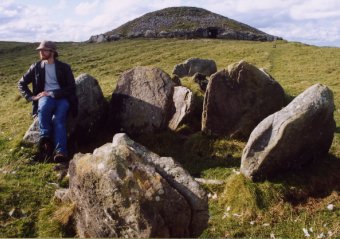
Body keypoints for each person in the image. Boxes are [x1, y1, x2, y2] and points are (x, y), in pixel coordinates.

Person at [18, 40, 78, 162]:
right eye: (40, 50)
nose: (41, 52)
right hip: (44, 97)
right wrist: (31, 97)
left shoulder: (64, 67)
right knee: (44, 108)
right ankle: (45, 140)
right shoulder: (36, 67)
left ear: (52, 52)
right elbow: (21, 83)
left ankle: (61, 152)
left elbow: (71, 88)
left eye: (44, 50)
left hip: (62, 98)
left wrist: (52, 93)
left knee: (58, 120)